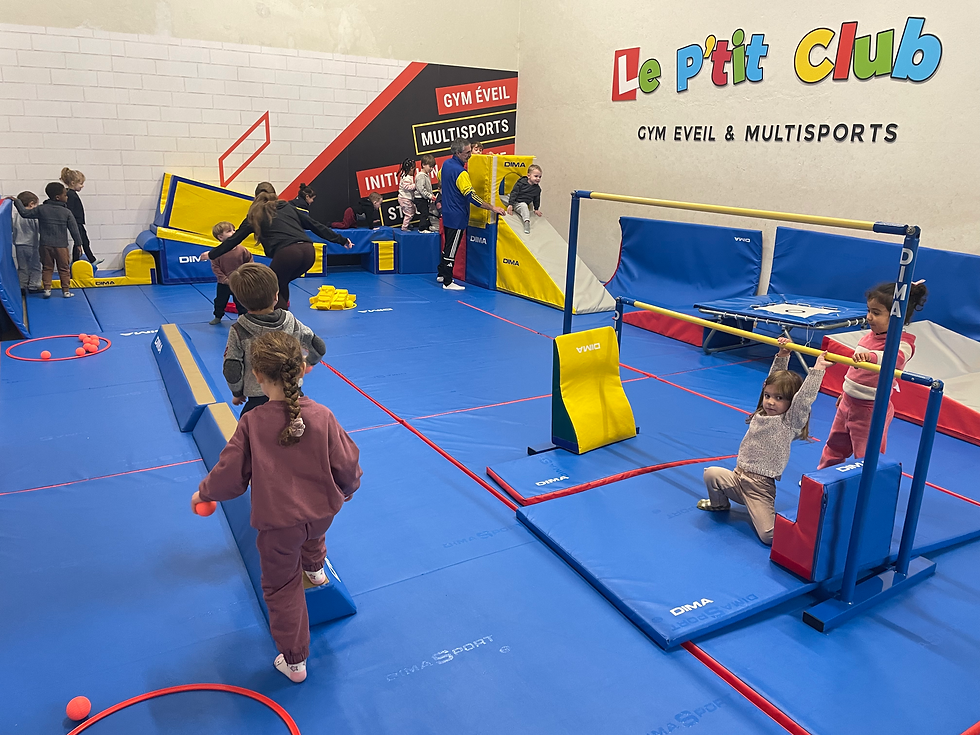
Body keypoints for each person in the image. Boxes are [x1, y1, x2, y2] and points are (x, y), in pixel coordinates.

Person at [191, 330, 362, 684]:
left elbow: (230, 474)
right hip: (322, 513)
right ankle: (315, 570)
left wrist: (204, 493)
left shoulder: (253, 423)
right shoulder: (323, 415)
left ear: (257, 376)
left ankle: (295, 661)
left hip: (279, 525)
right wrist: (348, 488)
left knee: (282, 588)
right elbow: (347, 462)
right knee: (313, 535)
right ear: (302, 369)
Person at [698, 339, 831, 545]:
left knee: (769, 536)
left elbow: (803, 399)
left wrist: (818, 369)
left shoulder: (789, 422)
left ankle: (806, 531)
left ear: (790, 402)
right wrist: (783, 355)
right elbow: (771, 381)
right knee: (711, 474)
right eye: (768, 396)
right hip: (737, 478)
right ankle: (720, 504)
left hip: (759, 488)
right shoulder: (761, 412)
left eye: (779, 398)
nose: (770, 401)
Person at [817, 281, 928, 469]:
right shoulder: (868, 336)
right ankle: (824, 475)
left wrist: (871, 356)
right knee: (835, 444)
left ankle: (868, 481)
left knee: (866, 453)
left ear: (897, 317)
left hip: (870, 408)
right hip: (848, 402)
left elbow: (895, 359)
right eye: (869, 311)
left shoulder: (903, 342)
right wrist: (845, 393)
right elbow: (856, 372)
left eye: (876, 313)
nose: (869, 317)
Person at [201, 182, 352, 310]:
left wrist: (212, 254)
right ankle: (283, 314)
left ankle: (281, 321)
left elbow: (234, 239)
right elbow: (315, 225)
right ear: (275, 194)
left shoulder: (255, 214)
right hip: (308, 251)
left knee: (270, 286)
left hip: (288, 253)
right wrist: (341, 240)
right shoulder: (287, 207)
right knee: (280, 282)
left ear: (256, 197)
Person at [223, 263, 326, 416]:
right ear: (276, 296)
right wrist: (308, 363)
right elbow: (318, 346)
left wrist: (237, 392)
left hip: (258, 397)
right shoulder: (291, 322)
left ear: (240, 301)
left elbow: (232, 368)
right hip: (293, 395)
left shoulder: (240, 330)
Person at [438, 138, 507, 290]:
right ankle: (447, 281)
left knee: (447, 245)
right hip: (457, 216)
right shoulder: (461, 173)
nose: (470, 155)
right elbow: (472, 197)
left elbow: (440, 178)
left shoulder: (446, 164)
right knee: (452, 249)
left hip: (447, 212)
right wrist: (492, 207)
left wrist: (448, 193)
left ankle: (441, 273)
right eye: (467, 152)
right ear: (458, 153)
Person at [9, 182, 81, 298]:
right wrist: (78, 244)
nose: (67, 197)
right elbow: (74, 229)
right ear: (58, 197)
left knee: (46, 268)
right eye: (65, 195)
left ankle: (46, 289)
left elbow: (24, 213)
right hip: (61, 246)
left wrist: (17, 202)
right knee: (63, 268)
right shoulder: (66, 212)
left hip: (44, 245)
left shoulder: (41, 209)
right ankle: (65, 291)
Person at [208, 221, 253, 325]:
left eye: (234, 230)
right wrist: (225, 279)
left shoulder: (242, 250)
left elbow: (249, 262)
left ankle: (243, 318)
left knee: (241, 301)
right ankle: (218, 316)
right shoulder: (217, 252)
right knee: (220, 301)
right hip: (224, 284)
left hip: (239, 282)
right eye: (229, 231)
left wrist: (246, 275)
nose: (233, 233)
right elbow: (216, 267)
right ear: (220, 237)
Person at [61, 167, 101, 267]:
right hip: (75, 222)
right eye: (81, 183)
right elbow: (70, 210)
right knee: (80, 242)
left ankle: (88, 259)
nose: (82, 186)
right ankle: (81, 261)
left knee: (83, 241)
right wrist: (72, 222)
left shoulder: (71, 193)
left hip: (77, 222)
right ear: (73, 183)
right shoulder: (70, 194)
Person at [12, 191, 42, 292]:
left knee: (22, 267)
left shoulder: (16, 215)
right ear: (31, 204)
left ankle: (22, 285)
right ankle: (34, 285)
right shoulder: (33, 216)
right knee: (35, 266)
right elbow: (39, 229)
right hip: (31, 245)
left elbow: (13, 228)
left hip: (19, 245)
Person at [507, 164, 544, 235]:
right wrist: (510, 204)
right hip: (514, 200)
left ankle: (526, 222)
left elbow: (537, 199)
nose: (538, 178)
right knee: (503, 197)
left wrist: (536, 209)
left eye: (540, 177)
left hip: (521, 204)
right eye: (536, 176)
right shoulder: (521, 183)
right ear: (528, 176)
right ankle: (509, 203)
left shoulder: (537, 189)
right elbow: (514, 192)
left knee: (524, 206)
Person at [414, 154, 439, 232]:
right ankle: (422, 229)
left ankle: (426, 227)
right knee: (424, 214)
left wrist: (430, 196)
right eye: (430, 166)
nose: (431, 169)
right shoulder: (421, 176)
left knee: (426, 213)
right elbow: (421, 189)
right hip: (420, 199)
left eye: (432, 167)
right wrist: (430, 196)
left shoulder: (425, 175)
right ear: (423, 165)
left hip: (424, 198)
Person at [396, 158, 417, 231]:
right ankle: (404, 227)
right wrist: (416, 185)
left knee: (412, 211)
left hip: (406, 198)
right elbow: (406, 187)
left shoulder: (406, 176)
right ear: (411, 168)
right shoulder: (406, 178)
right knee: (409, 214)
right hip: (404, 199)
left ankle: (407, 224)